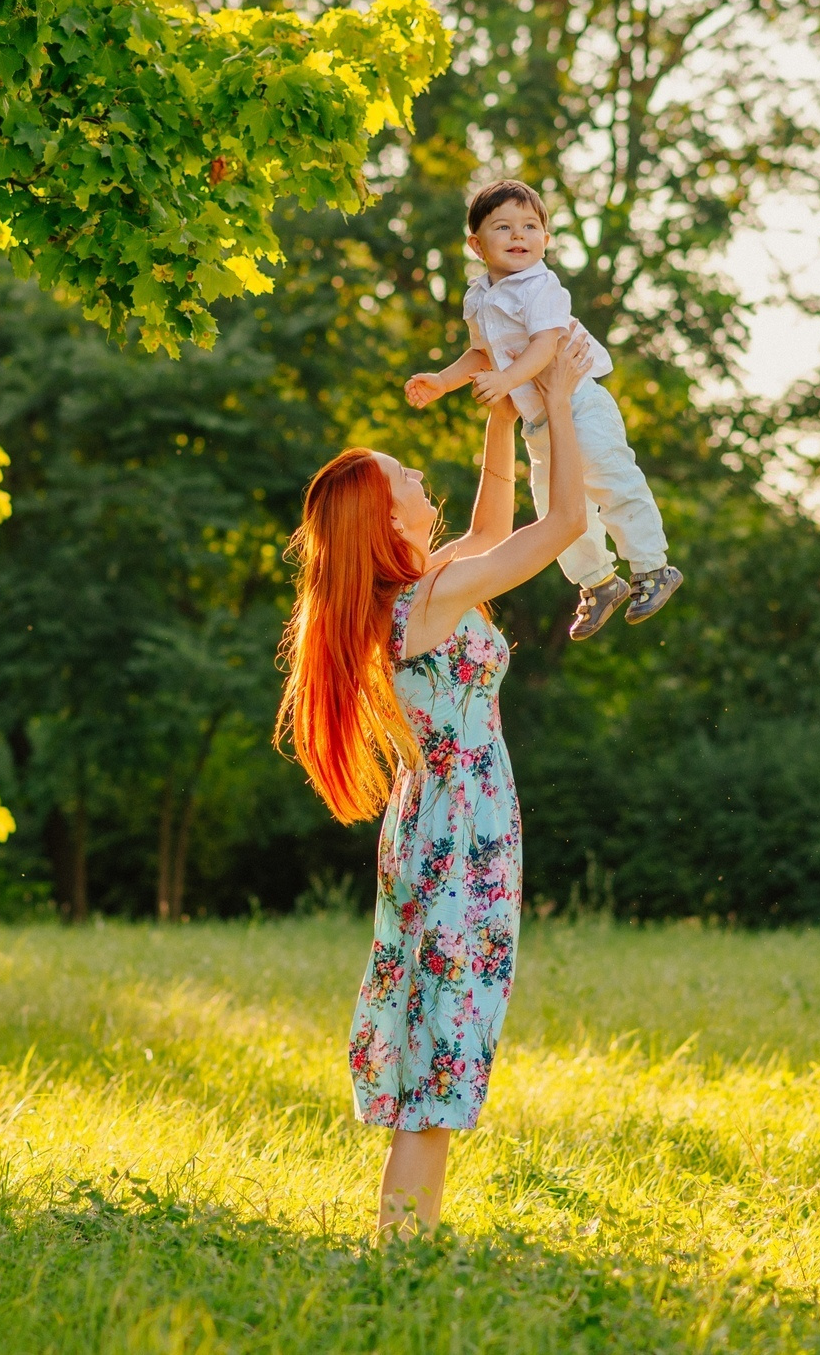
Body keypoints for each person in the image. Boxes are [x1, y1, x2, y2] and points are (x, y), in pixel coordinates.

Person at [277, 327, 600, 1234]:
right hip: (460, 831)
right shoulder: (425, 602)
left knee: (439, 1033)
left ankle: (406, 1240)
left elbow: (493, 528)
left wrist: (502, 419)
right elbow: (564, 524)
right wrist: (562, 402)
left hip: (446, 822)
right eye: (406, 480)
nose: (423, 483)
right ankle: (402, 1247)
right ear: (387, 519)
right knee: (442, 1043)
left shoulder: (415, 592)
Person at [404, 180, 680, 641]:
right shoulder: (479, 297)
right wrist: (443, 382)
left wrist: (507, 381)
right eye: (503, 227)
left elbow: (544, 345)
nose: (519, 236)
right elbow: (482, 353)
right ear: (476, 244)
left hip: (579, 404)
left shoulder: (541, 286)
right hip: (538, 420)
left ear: (546, 241)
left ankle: (652, 567)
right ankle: (598, 582)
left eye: (531, 226)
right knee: (555, 506)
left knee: (612, 481)